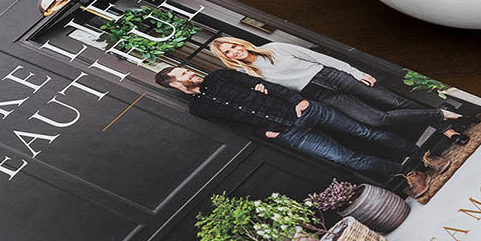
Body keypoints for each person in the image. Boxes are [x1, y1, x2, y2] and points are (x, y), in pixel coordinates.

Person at [154, 65, 422, 186]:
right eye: (183, 74)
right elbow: (233, 126)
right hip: (288, 133)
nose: (190, 73)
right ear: (175, 84)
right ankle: (405, 173)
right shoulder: (198, 109)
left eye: (186, 69)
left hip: (305, 110)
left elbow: (265, 85)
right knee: (346, 158)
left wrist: (298, 100)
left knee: (366, 132)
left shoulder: (219, 77)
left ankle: (420, 154)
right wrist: (263, 132)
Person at [208, 36, 445, 129]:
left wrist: (354, 72)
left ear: (239, 43)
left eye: (233, 46)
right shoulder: (249, 75)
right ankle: (442, 115)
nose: (234, 51)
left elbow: (318, 58)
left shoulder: (274, 48)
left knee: (394, 102)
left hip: (331, 76)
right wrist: (263, 92)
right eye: (228, 52)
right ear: (226, 58)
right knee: (375, 119)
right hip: (320, 95)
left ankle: (445, 127)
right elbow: (279, 92)